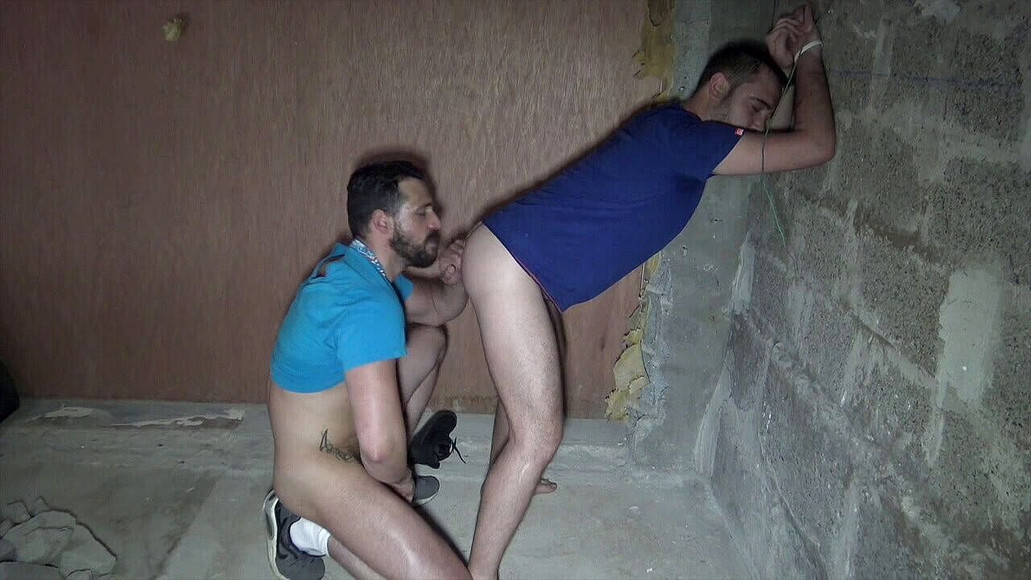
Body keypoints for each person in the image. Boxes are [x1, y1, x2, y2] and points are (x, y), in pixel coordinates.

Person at [460, 5, 835, 579]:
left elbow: (763, 128)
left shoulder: (675, 131)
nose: (759, 125)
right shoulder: (687, 139)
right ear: (717, 87)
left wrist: (773, 71)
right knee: (540, 433)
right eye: (756, 109)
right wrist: (809, 53)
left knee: (533, 384)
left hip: (517, 262)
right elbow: (815, 145)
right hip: (511, 263)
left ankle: (510, 475)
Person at [263, 160, 471, 580]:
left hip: (339, 439)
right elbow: (378, 450)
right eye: (422, 212)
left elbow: (440, 307)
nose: (436, 221)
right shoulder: (368, 302)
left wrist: (457, 278)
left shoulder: (361, 269)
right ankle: (301, 525)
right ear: (382, 223)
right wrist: (399, 480)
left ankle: (361, 494)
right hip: (314, 470)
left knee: (430, 341)